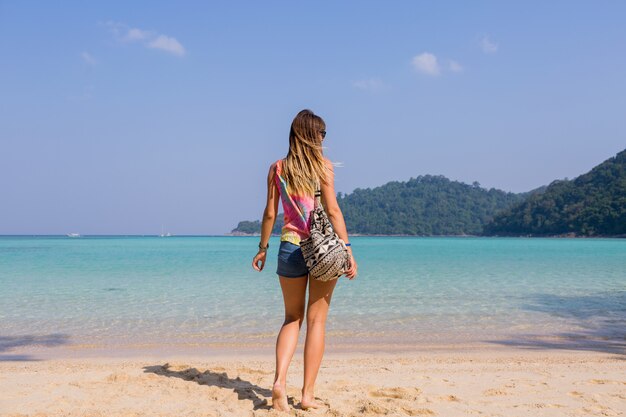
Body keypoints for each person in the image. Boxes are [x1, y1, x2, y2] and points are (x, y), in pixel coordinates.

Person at [252, 109, 358, 411]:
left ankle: (279, 382)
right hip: (322, 249)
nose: (324, 139)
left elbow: (270, 213)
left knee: (291, 318)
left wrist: (262, 248)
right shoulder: (323, 167)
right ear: (311, 136)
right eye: (321, 134)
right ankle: (307, 395)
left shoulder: (277, 168)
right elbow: (334, 211)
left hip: (288, 247)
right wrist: (348, 250)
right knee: (316, 321)